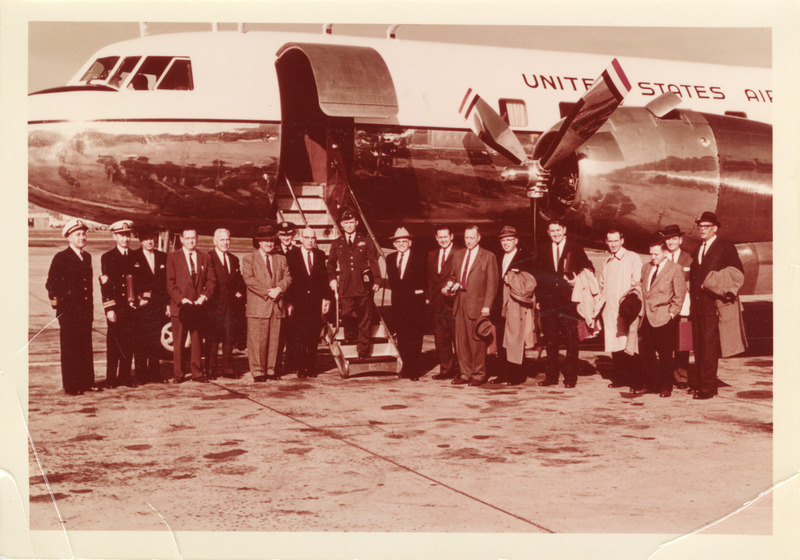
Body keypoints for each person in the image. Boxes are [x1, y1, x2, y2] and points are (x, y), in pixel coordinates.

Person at [689, 211, 744, 400]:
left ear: (715, 228)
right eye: (700, 226)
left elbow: (737, 272)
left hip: (712, 306)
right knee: (698, 346)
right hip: (697, 308)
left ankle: (707, 388)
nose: (702, 230)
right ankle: (701, 383)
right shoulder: (698, 249)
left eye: (706, 227)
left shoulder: (725, 247)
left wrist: (715, 282)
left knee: (709, 348)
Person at [533, 219, 593, 388]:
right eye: (552, 231)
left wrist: (578, 281)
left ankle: (570, 377)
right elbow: (538, 274)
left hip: (569, 301)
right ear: (548, 232)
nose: (556, 234)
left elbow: (588, 267)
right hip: (549, 302)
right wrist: (538, 299)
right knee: (551, 340)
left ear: (564, 229)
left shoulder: (575, 247)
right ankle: (551, 377)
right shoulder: (543, 248)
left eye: (558, 230)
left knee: (570, 340)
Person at [45, 219, 100, 396]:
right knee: (70, 348)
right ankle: (71, 385)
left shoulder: (87, 257)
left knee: (85, 348)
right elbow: (51, 284)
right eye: (78, 235)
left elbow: (87, 287)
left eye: (84, 234)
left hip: (84, 312)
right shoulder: (61, 257)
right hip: (69, 312)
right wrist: (60, 305)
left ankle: (86, 382)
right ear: (69, 238)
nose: (82, 237)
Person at [444, 225, 498, 387]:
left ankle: (479, 374)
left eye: (472, 238)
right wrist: (450, 285)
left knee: (477, 342)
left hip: (478, 303)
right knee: (461, 341)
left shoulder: (488, 256)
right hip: (460, 302)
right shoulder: (458, 255)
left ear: (478, 238)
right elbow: (454, 276)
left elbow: (492, 284)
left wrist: (487, 305)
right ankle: (465, 373)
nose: (468, 241)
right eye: (466, 238)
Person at [327, 209, 381, 360]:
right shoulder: (337, 243)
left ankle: (363, 350)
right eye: (346, 223)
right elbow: (330, 263)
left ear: (356, 223)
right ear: (342, 225)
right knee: (347, 313)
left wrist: (377, 280)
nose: (349, 225)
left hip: (363, 285)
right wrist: (332, 278)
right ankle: (350, 333)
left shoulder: (366, 240)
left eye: (351, 222)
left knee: (365, 317)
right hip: (345, 285)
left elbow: (373, 261)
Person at [166, 227, 216, 383]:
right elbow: (170, 282)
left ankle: (196, 373)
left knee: (196, 341)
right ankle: (178, 374)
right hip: (181, 307)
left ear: (197, 238)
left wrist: (203, 297)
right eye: (187, 238)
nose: (190, 241)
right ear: (181, 239)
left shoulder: (205, 257)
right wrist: (182, 299)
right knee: (179, 342)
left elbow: (211, 280)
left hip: (198, 306)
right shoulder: (173, 257)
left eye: (193, 238)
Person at [242, 224, 292, 381]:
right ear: (258, 242)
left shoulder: (280, 258)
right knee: (257, 341)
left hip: (276, 306)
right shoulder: (249, 259)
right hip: (259, 306)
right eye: (265, 241)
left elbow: (288, 277)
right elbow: (249, 280)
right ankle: (258, 371)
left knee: (274, 340)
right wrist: (269, 291)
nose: (269, 244)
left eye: (271, 240)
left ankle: (272, 370)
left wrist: (279, 289)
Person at [640, 238, 687, 397]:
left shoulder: (675, 269)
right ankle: (651, 384)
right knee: (646, 354)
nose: (652, 257)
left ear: (665, 253)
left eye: (656, 254)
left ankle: (666, 387)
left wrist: (671, 313)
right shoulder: (646, 267)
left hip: (664, 318)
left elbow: (679, 295)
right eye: (651, 254)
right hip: (646, 317)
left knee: (666, 355)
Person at [598, 228, 643, 392]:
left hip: (626, 309)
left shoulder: (632, 257)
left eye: (616, 240)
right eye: (610, 241)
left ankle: (634, 379)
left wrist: (630, 304)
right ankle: (620, 377)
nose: (613, 244)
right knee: (615, 344)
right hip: (610, 310)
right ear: (606, 242)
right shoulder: (607, 261)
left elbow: (637, 282)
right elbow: (602, 284)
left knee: (629, 344)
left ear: (622, 241)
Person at [285, 227, 332, 378]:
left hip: (314, 301)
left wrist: (326, 298)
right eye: (307, 238)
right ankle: (300, 367)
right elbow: (289, 280)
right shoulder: (291, 255)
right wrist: (289, 302)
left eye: (313, 238)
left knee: (313, 336)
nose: (310, 241)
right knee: (300, 335)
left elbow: (323, 279)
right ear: (301, 239)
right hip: (299, 302)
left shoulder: (320, 254)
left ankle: (311, 367)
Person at [489, 225, 532, 385]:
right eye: (503, 240)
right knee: (501, 341)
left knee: (515, 340)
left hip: (515, 305)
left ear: (516, 240)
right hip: (500, 304)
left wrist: (513, 280)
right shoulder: (499, 257)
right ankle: (503, 373)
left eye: (509, 240)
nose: (506, 243)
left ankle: (517, 375)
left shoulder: (524, 257)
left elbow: (529, 282)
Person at [100, 220, 138, 388]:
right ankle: (110, 378)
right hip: (116, 306)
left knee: (129, 343)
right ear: (115, 236)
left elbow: (140, 281)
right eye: (122, 235)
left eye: (127, 235)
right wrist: (109, 308)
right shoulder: (108, 257)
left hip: (131, 307)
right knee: (114, 343)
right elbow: (106, 285)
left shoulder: (136, 256)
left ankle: (125, 376)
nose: (125, 239)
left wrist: (140, 299)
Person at [386, 227, 427, 380]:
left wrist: (420, 293)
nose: (401, 244)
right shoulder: (390, 259)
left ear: (410, 242)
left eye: (404, 241)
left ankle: (415, 370)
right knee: (402, 337)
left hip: (415, 304)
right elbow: (393, 282)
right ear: (394, 244)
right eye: (398, 242)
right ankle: (405, 367)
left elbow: (424, 279)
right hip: (398, 304)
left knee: (414, 337)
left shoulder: (419, 257)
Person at [206, 228, 246, 378]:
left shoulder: (234, 259)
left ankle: (228, 369)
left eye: (227, 240)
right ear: (215, 241)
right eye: (222, 240)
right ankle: (210, 370)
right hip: (214, 305)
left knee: (229, 337)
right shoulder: (208, 257)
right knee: (213, 339)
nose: (225, 243)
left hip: (230, 305)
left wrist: (239, 291)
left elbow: (237, 280)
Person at [131, 226, 169, 383]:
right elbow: (130, 281)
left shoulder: (163, 256)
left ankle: (155, 373)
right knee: (140, 340)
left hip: (158, 305)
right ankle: (140, 375)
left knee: (155, 339)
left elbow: (166, 282)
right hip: (142, 306)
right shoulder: (133, 257)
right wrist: (137, 299)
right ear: (140, 241)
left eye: (152, 238)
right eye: (146, 239)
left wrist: (167, 304)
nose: (150, 242)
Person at [660, 224, 693, 389]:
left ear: (680, 240)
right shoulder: (661, 257)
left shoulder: (688, 258)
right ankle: (665, 374)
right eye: (668, 239)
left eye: (674, 239)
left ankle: (681, 376)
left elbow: (690, 282)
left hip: (684, 307)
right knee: (666, 343)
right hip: (665, 307)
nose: (671, 242)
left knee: (683, 343)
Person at [427, 225, 460, 380]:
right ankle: (446, 370)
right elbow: (430, 279)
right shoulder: (432, 254)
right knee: (441, 339)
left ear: (451, 236)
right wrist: (429, 297)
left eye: (445, 236)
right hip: (437, 303)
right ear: (436, 238)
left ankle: (460, 371)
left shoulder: (459, 253)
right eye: (440, 237)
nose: (443, 240)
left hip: (453, 302)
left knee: (457, 337)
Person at [275, 221, 298, 374]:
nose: (286, 238)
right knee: (279, 335)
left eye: (289, 234)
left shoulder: (298, 251)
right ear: (279, 236)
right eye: (283, 235)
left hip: (295, 300)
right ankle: (276, 366)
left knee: (293, 333)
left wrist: (293, 301)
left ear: (293, 234)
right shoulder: (275, 252)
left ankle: (291, 364)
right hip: (279, 298)